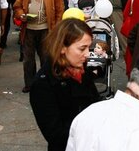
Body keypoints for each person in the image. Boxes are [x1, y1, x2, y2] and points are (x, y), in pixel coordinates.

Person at [29, 19, 100, 151]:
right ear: (62, 48)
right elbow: (56, 136)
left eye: (88, 48)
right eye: (82, 48)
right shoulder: (43, 84)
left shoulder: (81, 70)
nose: (87, 54)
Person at [13, 0, 64, 93]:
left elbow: (60, 9)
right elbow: (17, 6)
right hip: (28, 29)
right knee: (28, 60)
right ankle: (30, 84)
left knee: (46, 58)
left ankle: (47, 82)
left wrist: (57, 27)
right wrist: (21, 15)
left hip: (46, 29)